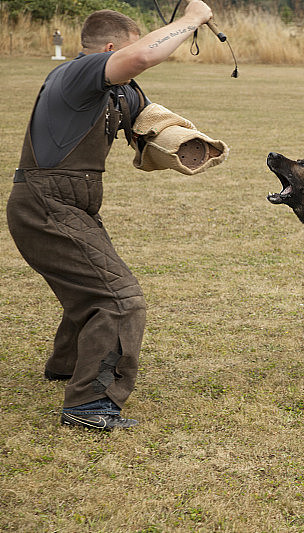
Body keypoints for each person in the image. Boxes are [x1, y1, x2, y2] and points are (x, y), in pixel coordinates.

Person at [6, 1, 213, 431]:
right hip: (47, 203)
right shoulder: (77, 73)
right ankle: (88, 404)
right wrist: (191, 20)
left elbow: (149, 123)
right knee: (119, 300)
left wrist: (183, 140)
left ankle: (67, 367)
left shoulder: (121, 90)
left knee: (91, 287)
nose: (132, 68)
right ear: (110, 49)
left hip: (72, 203)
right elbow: (140, 57)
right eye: (125, 55)